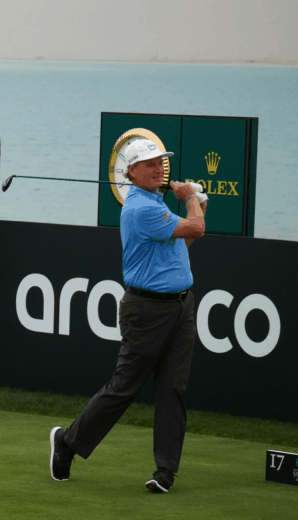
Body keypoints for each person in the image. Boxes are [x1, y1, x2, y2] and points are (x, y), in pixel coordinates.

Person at [50, 138, 207, 493]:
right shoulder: (141, 209)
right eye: (149, 163)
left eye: (160, 163)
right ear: (131, 172)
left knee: (173, 389)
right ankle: (68, 442)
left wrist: (196, 204)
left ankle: (165, 470)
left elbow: (185, 242)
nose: (158, 168)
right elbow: (196, 227)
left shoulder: (156, 203)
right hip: (147, 310)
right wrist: (192, 199)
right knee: (124, 388)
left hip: (181, 306)